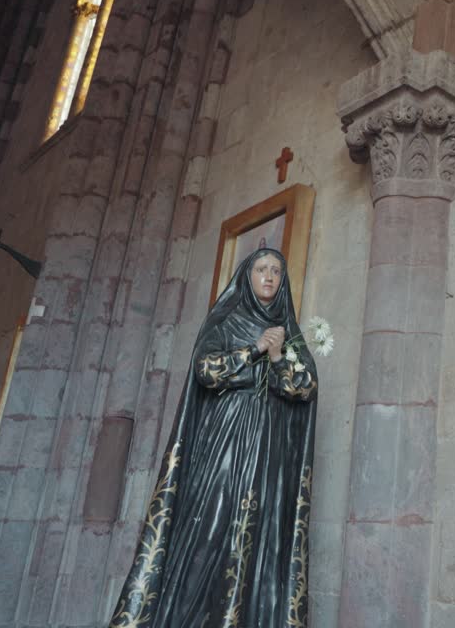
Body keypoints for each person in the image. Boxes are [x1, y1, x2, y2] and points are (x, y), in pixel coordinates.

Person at [110, 248, 317, 627]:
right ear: (247, 277)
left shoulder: (289, 332)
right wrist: (254, 349)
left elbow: (304, 388)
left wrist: (276, 357)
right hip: (225, 440)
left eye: (276, 271)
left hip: (268, 451)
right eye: (261, 269)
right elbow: (205, 370)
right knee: (212, 527)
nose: (269, 277)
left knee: (258, 537)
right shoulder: (226, 322)